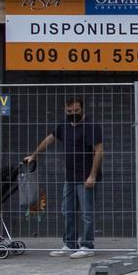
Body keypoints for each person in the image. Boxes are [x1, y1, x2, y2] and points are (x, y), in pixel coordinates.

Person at [25, 96, 104, 258]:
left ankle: (88, 246)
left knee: (86, 213)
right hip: (70, 176)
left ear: (82, 109)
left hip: (86, 176)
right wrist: (34, 155)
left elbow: (99, 151)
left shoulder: (91, 126)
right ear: (65, 110)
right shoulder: (64, 125)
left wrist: (92, 175)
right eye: (69, 111)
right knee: (67, 210)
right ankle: (70, 244)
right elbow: (50, 139)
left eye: (76, 110)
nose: (73, 113)